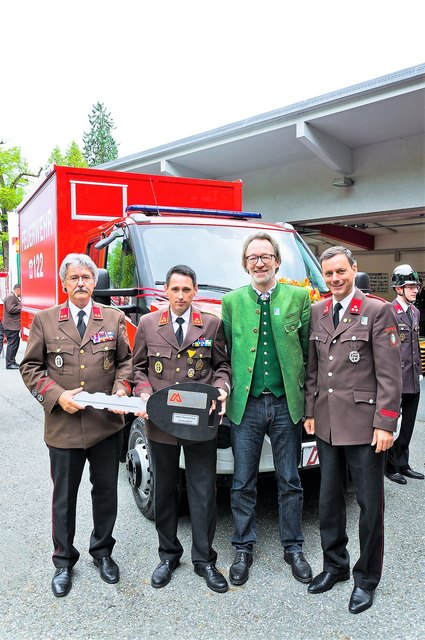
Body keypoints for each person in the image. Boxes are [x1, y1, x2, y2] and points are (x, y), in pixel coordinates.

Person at [20, 254, 132, 598]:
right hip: (63, 428)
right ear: (64, 283)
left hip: (104, 426)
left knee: (105, 494)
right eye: (74, 278)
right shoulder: (46, 320)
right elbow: (31, 368)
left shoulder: (113, 318)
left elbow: (126, 362)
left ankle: (103, 553)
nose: (81, 282)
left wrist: (121, 389)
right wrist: (56, 396)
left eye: (87, 276)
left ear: (94, 282)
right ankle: (63, 561)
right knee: (64, 499)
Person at [304, 246, 402, 614]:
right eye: (328, 274)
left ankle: (366, 579)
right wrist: (310, 411)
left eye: (340, 272)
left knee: (368, 505)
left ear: (353, 270)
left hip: (365, 427)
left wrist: (386, 422)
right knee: (328, 502)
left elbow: (390, 375)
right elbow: (314, 369)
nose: (334, 279)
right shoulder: (319, 311)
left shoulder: (377, 310)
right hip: (327, 424)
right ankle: (335, 566)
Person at [221, 232, 312, 587]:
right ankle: (243, 547)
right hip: (248, 405)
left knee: (290, 480)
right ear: (246, 264)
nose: (259, 262)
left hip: (286, 402)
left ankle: (294, 547)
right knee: (243, 481)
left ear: (277, 261)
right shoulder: (232, 302)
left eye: (265, 256)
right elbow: (226, 352)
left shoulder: (299, 297)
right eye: (253, 257)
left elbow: (307, 352)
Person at [133, 264, 231, 593]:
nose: (179, 295)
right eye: (174, 289)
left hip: (199, 421)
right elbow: (139, 368)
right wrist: (144, 393)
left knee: (202, 491)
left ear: (195, 292)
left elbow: (221, 367)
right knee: (164, 490)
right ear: (165, 291)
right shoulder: (148, 324)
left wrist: (222, 389)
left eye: (186, 290)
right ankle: (168, 555)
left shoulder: (212, 324)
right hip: (161, 421)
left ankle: (205, 559)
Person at [386, 264, 423, 483]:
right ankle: (390, 467)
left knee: (408, 425)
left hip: (413, 377)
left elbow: (415, 344)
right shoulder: (390, 311)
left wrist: (419, 371)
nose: (415, 290)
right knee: (391, 424)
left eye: (416, 286)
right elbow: (388, 347)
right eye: (410, 286)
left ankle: (403, 463)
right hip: (396, 378)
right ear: (399, 289)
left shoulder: (415, 312)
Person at [3, 284, 21, 369]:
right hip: (11, 325)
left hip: (12, 325)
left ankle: (12, 361)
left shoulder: (12, 296)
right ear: (18, 289)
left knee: (14, 344)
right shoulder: (11, 296)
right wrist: (21, 307)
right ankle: (10, 363)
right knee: (12, 344)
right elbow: (11, 309)